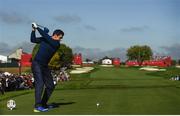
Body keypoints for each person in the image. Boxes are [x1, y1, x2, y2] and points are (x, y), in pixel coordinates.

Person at [31, 22, 64, 112]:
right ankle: (37, 106)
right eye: (60, 37)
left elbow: (46, 36)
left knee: (50, 86)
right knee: (40, 83)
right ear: (56, 35)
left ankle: (43, 103)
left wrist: (38, 28)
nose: (60, 39)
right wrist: (34, 30)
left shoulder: (56, 44)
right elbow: (33, 40)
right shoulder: (47, 39)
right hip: (36, 63)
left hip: (44, 66)